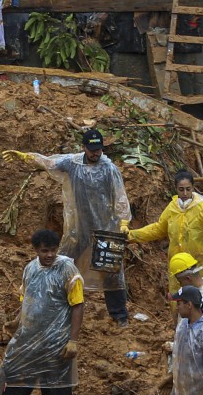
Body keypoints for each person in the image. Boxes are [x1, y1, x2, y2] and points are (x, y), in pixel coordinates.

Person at [8, 129, 134, 325]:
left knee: (111, 272)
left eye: (99, 149)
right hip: (80, 229)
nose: (96, 153)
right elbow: (48, 162)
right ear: (83, 147)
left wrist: (123, 221)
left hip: (106, 228)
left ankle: (119, 316)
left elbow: (120, 195)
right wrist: (27, 157)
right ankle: (51, 304)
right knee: (63, 264)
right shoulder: (72, 163)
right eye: (92, 150)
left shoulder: (109, 168)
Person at [0, 229, 85, 395]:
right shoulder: (30, 269)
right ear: (36, 250)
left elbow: (77, 305)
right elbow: (27, 300)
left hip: (56, 342)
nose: (49, 255)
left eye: (53, 251)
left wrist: (73, 340)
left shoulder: (67, 269)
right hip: (28, 340)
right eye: (44, 251)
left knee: (57, 387)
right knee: (14, 377)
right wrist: (16, 322)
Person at [128, 168, 203, 285]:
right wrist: (131, 236)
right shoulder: (172, 208)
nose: (185, 193)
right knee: (181, 298)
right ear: (176, 189)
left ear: (193, 188)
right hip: (179, 267)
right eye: (181, 190)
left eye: (188, 189)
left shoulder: (202, 209)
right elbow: (158, 229)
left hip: (201, 266)